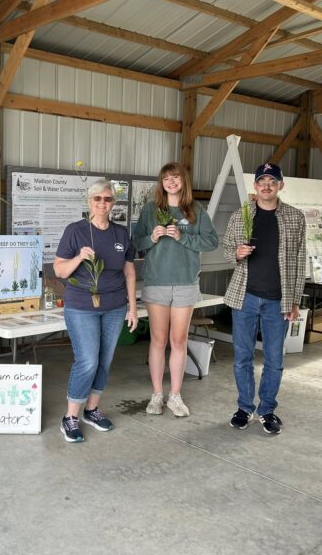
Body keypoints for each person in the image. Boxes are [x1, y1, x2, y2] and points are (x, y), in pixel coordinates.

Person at [222, 163, 306, 434]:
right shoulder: (241, 215)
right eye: (262, 181)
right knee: (242, 357)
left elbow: (299, 261)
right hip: (244, 297)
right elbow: (226, 250)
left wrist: (294, 300)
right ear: (255, 186)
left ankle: (267, 410)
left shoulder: (295, 217)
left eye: (272, 181)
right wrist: (237, 252)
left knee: (274, 360)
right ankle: (245, 408)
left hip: (278, 301)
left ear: (281, 185)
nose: (266, 186)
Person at [54, 179, 138, 443]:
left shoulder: (120, 233)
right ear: (89, 201)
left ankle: (92, 410)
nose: (102, 203)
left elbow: (129, 270)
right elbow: (59, 270)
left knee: (104, 360)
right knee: (87, 360)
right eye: (97, 199)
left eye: (108, 199)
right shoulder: (75, 231)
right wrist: (79, 257)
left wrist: (133, 308)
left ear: (113, 203)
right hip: (81, 305)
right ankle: (70, 417)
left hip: (114, 306)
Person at [133, 162, 218, 417]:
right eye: (166, 178)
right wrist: (153, 237)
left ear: (183, 181)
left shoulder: (195, 209)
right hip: (156, 282)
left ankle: (175, 396)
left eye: (176, 177)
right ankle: (157, 394)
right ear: (161, 183)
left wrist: (183, 237)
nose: (171, 182)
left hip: (185, 283)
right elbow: (136, 242)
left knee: (178, 340)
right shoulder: (150, 210)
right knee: (158, 340)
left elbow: (211, 240)